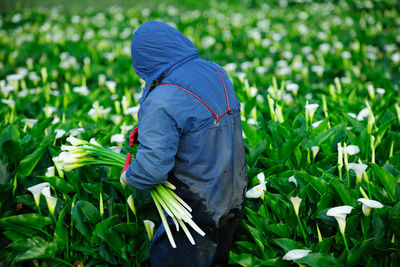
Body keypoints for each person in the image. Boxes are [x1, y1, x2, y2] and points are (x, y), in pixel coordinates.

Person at [120, 20, 247, 267]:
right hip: (233, 194)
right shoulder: (216, 71)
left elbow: (152, 171)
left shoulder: (161, 98)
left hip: (194, 206)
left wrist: (129, 176)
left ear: (143, 60)